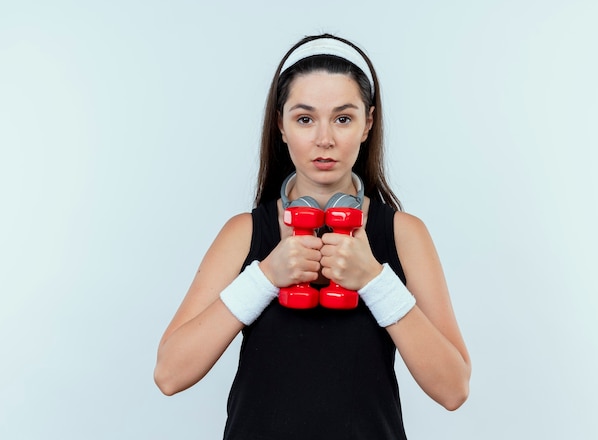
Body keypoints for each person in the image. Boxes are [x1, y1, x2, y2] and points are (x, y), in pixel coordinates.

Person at [154, 34, 471, 440]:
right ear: (281, 126)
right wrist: (264, 277)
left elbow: (453, 389)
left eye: (343, 118)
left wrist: (375, 280)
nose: (325, 139)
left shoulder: (404, 235)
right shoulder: (245, 233)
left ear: (367, 124)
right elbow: (169, 375)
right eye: (305, 119)